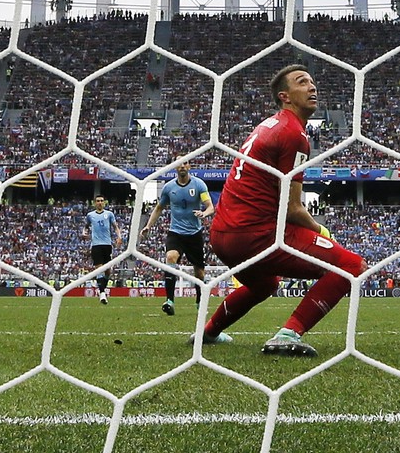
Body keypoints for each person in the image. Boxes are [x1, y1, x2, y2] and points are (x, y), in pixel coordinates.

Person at [193, 65, 366, 357]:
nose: (312, 87)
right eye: (302, 82)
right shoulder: (293, 134)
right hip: (254, 234)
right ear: (284, 96)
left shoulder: (269, 125)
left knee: (264, 283)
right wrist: (324, 233)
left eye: (312, 81)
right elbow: (293, 209)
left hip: (223, 235)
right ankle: (289, 334)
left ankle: (208, 332)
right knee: (351, 265)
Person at [138, 161, 215, 316]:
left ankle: (200, 300)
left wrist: (204, 213)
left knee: (199, 272)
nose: (182, 166)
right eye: (179, 164)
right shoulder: (168, 188)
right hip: (176, 232)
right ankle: (169, 301)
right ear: (175, 167)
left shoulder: (199, 185)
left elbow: (210, 206)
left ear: (189, 167)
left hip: (194, 233)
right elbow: (159, 208)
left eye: (185, 163)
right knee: (170, 257)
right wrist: (148, 226)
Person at [83, 195, 121, 305]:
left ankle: (102, 288)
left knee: (108, 270)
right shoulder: (90, 215)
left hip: (107, 245)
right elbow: (86, 226)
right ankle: (102, 293)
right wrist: (84, 232)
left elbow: (115, 227)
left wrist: (119, 237)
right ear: (95, 203)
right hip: (96, 245)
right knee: (99, 269)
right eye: (98, 201)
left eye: (102, 201)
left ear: (104, 202)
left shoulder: (109, 214)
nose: (100, 203)